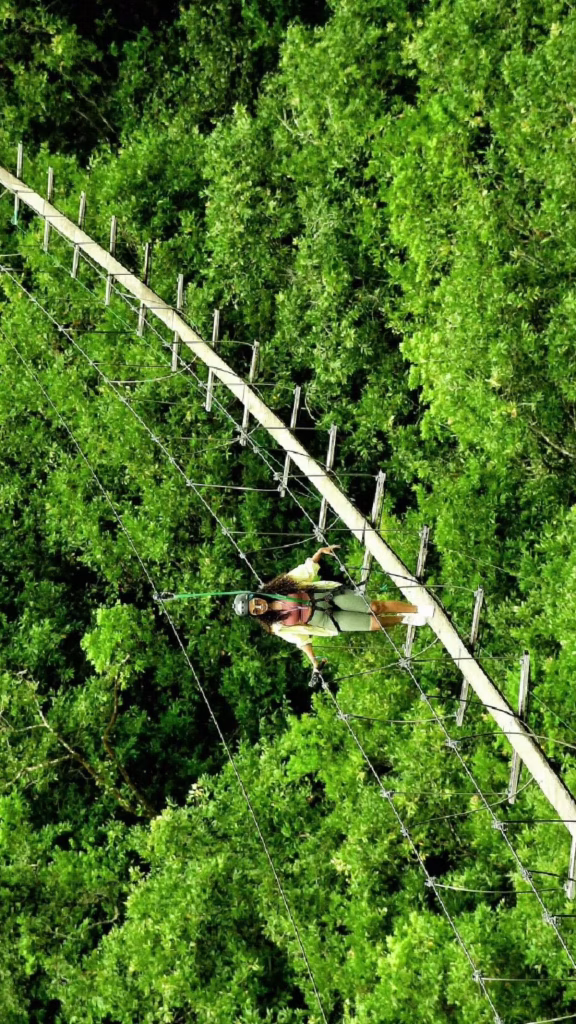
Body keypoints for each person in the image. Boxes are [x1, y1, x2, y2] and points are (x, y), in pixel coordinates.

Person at [233, 545, 434, 670]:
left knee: (375, 606)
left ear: (256, 596)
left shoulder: (279, 588)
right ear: (256, 615)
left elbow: (305, 572)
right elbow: (300, 640)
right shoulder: (277, 626)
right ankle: (404, 618)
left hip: (327, 597)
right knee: (375, 624)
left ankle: (417, 609)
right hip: (326, 621)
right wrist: (314, 662)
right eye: (255, 610)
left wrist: (319, 553)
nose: (258, 607)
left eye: (255, 603)